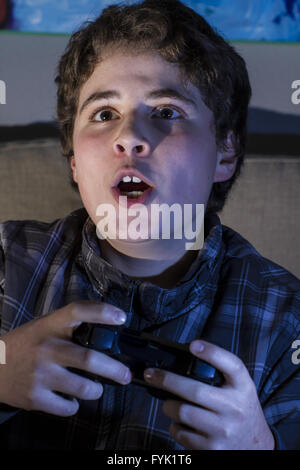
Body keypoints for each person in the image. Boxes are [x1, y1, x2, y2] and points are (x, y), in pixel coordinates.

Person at [0, 0, 299, 450]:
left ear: (225, 152)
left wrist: (259, 445)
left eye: (166, 111)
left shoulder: (287, 323)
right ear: (75, 162)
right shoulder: (6, 262)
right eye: (104, 114)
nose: (129, 137)